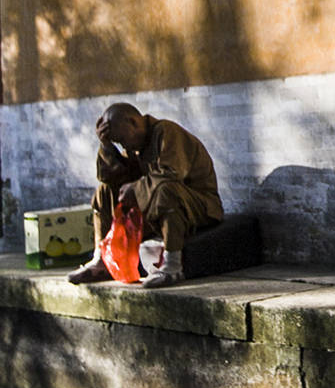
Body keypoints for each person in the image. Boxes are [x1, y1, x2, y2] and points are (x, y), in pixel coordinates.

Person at [67, 103, 224, 288]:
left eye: (123, 139)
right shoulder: (135, 145)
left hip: (199, 206)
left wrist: (136, 188)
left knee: (166, 190)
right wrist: (106, 146)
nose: (123, 145)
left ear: (133, 122)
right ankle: (102, 261)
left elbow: (172, 173)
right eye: (120, 143)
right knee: (104, 191)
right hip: (157, 206)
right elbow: (115, 177)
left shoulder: (166, 131)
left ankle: (173, 266)